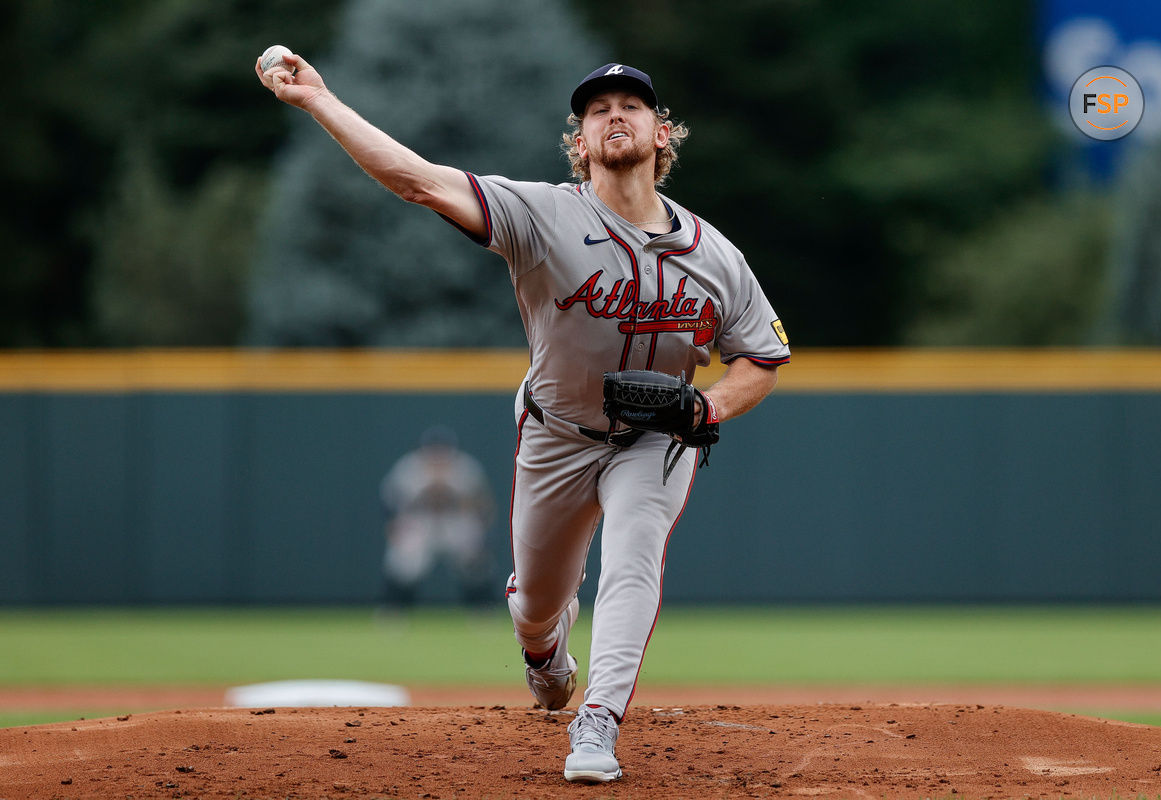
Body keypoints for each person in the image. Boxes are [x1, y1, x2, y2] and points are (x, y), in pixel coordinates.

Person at [257, 55, 791, 784]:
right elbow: (417, 179)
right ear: (579, 143)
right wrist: (321, 99)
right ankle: (545, 650)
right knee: (539, 604)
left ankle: (597, 721)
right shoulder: (543, 214)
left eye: (630, 105)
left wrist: (707, 405)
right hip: (557, 435)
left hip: (655, 443)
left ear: (662, 134)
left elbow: (761, 357)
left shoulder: (715, 256)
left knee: (634, 558)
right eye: (596, 109)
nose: (613, 115)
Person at [379, 426, 495, 607]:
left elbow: (482, 502)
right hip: (420, 521)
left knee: (474, 561)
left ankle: (483, 608)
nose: (438, 454)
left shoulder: (465, 468)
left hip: (455, 520)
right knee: (404, 562)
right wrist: (393, 525)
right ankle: (394, 609)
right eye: (433, 450)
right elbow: (390, 501)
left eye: (443, 449)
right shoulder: (409, 468)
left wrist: (481, 530)